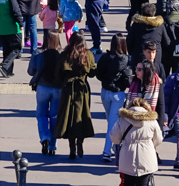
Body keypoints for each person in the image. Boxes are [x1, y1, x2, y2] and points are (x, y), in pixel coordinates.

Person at [55, 30, 97, 160]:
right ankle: (80, 142)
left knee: (69, 117)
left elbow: (58, 73)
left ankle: (72, 147)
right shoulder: (88, 55)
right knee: (82, 116)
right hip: (82, 90)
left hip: (68, 89)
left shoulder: (65, 55)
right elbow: (92, 73)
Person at [110, 96, 164, 186]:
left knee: (128, 183)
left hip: (127, 157)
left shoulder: (122, 120)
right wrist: (149, 144)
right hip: (147, 157)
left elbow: (114, 138)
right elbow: (158, 139)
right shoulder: (152, 121)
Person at [96, 33, 133, 162]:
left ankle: (111, 146)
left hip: (105, 92)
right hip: (118, 94)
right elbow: (128, 79)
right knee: (112, 124)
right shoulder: (126, 60)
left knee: (110, 121)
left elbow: (98, 74)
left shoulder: (104, 57)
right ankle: (107, 151)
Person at [29, 30, 65, 155]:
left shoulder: (38, 53)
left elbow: (30, 71)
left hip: (42, 87)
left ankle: (45, 137)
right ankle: (53, 146)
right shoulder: (62, 54)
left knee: (41, 114)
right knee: (54, 116)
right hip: (58, 88)